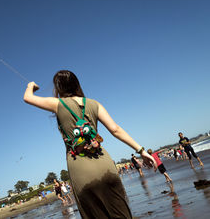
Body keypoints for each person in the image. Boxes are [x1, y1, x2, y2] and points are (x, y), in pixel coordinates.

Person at [23, 70, 156, 219]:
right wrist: (141, 150)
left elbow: (27, 98)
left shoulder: (57, 104)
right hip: (104, 164)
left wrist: (30, 85)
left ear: (59, 87)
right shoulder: (94, 104)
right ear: (76, 84)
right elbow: (115, 129)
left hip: (80, 169)